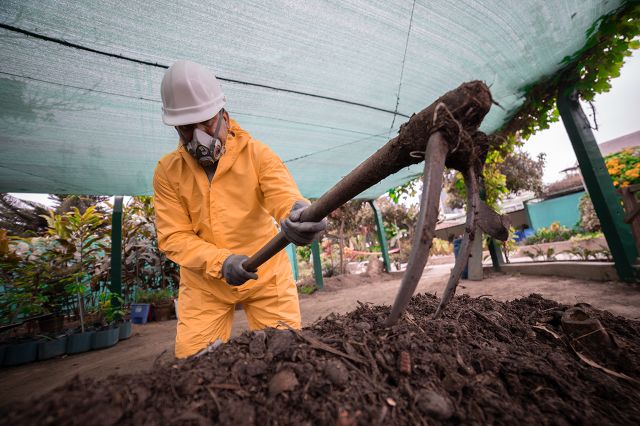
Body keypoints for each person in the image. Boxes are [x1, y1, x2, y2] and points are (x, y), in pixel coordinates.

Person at [153, 60, 326, 358]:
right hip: (205, 284)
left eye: (206, 123)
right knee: (194, 365)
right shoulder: (167, 172)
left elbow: (284, 197)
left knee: (284, 355)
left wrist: (299, 211)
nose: (199, 138)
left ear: (225, 116)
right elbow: (174, 237)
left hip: (266, 276)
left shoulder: (257, 155)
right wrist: (221, 263)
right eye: (187, 128)